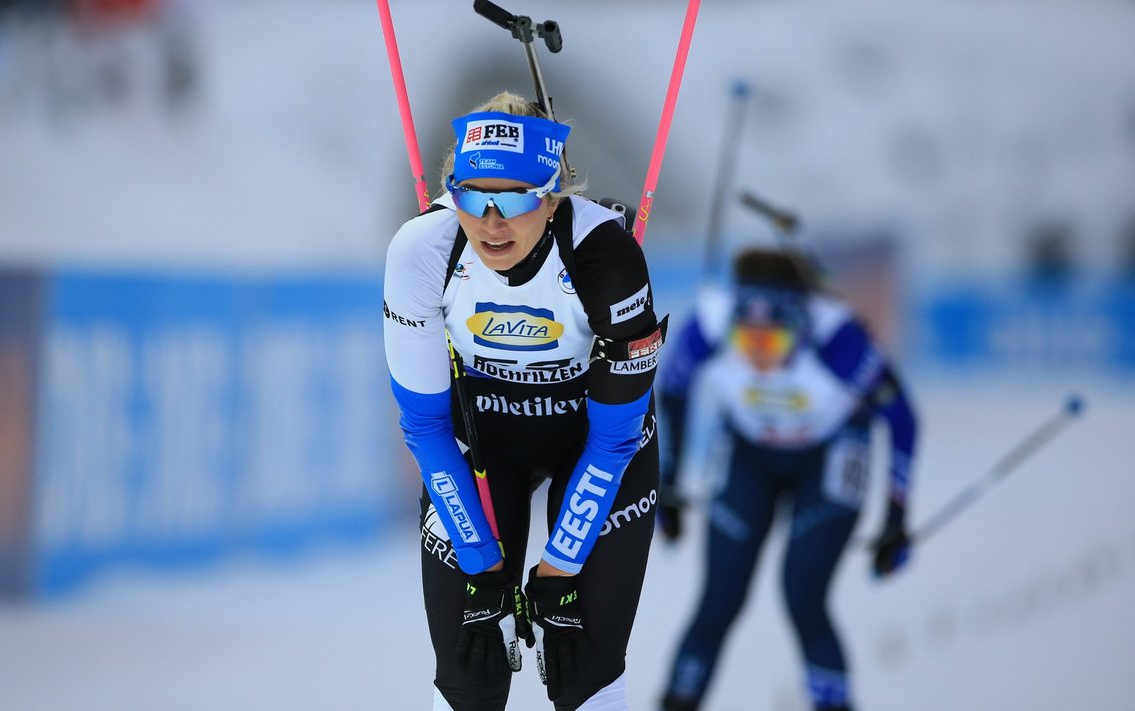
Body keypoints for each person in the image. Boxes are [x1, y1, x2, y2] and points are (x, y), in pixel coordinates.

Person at [383, 91, 667, 711]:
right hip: (481, 448)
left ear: (553, 192)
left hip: (597, 447)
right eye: (470, 194)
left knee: (584, 669)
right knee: (469, 674)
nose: (491, 220)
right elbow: (426, 426)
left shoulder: (605, 258)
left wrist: (560, 567)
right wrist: (483, 563)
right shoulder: (421, 252)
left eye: (514, 196)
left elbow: (616, 437)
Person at [654, 247, 918, 711]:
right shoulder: (713, 319)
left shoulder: (838, 337)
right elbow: (673, 391)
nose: (758, 355)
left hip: (830, 452)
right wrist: (668, 483)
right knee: (719, 599)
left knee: (802, 592)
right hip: (749, 451)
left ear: (800, 327)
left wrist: (896, 515)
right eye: (747, 341)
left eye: (773, 343)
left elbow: (901, 419)